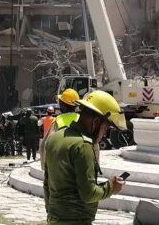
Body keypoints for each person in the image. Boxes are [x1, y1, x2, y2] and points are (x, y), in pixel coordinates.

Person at [43, 90, 126, 225]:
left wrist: (53, 213)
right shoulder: (83, 145)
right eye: (106, 128)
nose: (105, 134)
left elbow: (47, 184)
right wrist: (111, 187)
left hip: (54, 218)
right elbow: (88, 194)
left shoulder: (55, 138)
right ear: (96, 122)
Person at [39, 89, 80, 162]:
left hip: (62, 161)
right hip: (78, 160)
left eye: (60, 103)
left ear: (63, 106)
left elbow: (46, 145)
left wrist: (45, 166)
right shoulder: (81, 119)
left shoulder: (57, 121)